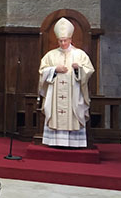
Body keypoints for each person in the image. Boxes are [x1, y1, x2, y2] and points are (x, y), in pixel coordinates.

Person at [38, 17, 95, 148]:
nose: (63, 43)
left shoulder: (80, 54)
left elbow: (89, 71)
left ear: (70, 39)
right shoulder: (50, 55)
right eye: (60, 40)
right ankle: (54, 141)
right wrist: (54, 69)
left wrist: (78, 69)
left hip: (73, 93)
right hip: (55, 93)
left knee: (73, 113)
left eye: (65, 40)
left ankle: (74, 143)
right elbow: (42, 71)